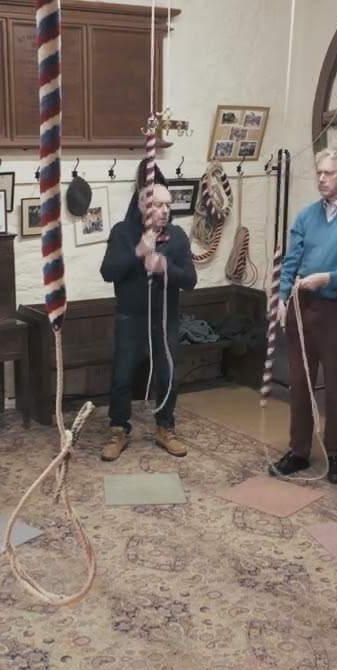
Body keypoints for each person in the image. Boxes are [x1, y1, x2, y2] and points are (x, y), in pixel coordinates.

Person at [268, 147, 337, 485]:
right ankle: (299, 451)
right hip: (302, 308)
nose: (321, 178)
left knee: (335, 384)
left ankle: (334, 454)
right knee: (300, 383)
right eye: (319, 172)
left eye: (329, 172)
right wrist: (281, 298)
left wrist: (330, 278)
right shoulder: (306, 216)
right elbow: (290, 262)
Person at [98, 166, 197, 462]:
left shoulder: (177, 237)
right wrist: (138, 251)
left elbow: (190, 281)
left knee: (168, 374)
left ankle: (165, 427)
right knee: (122, 374)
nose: (165, 211)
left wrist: (166, 267)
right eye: (158, 205)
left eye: (168, 205)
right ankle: (118, 429)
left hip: (165, 318)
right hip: (130, 317)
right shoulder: (122, 232)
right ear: (143, 205)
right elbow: (108, 272)